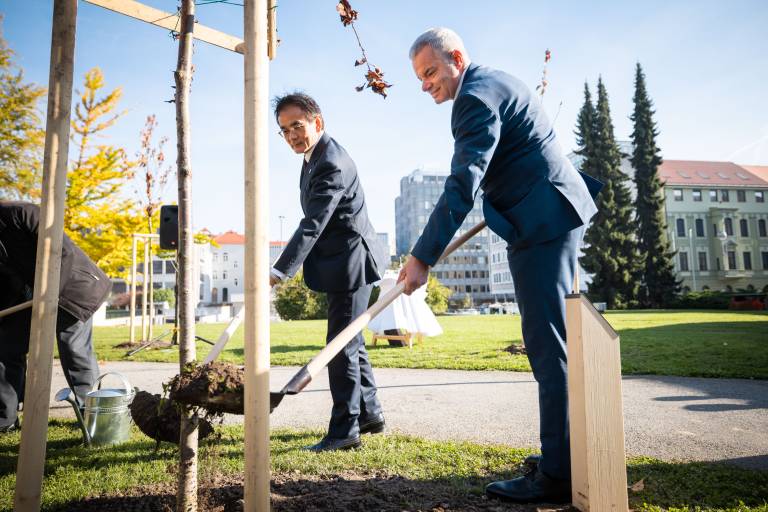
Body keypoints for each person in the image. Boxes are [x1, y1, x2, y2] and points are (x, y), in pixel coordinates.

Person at [398, 28, 601, 503]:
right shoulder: (493, 82)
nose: (425, 84)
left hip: (544, 224)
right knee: (556, 345)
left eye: (430, 71)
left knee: (548, 348)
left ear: (456, 58)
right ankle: (565, 457)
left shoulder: (474, 98)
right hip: (551, 214)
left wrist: (422, 256)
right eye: (420, 77)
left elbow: (462, 182)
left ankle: (558, 475)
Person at [270, 92, 386, 452]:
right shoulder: (313, 157)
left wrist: (279, 271)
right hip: (343, 261)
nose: (291, 135)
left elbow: (313, 223)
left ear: (317, 122)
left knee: (340, 346)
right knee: (351, 340)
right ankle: (370, 413)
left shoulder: (330, 162)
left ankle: (344, 431)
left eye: (297, 126)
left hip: (352, 263)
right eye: (284, 130)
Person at [0, 201, 109, 433]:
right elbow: (8, 279)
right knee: (6, 347)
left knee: (73, 348)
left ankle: (93, 418)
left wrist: (49, 295)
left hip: (74, 289)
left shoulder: (24, 213)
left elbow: (62, 252)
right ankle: (5, 419)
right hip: (36, 296)